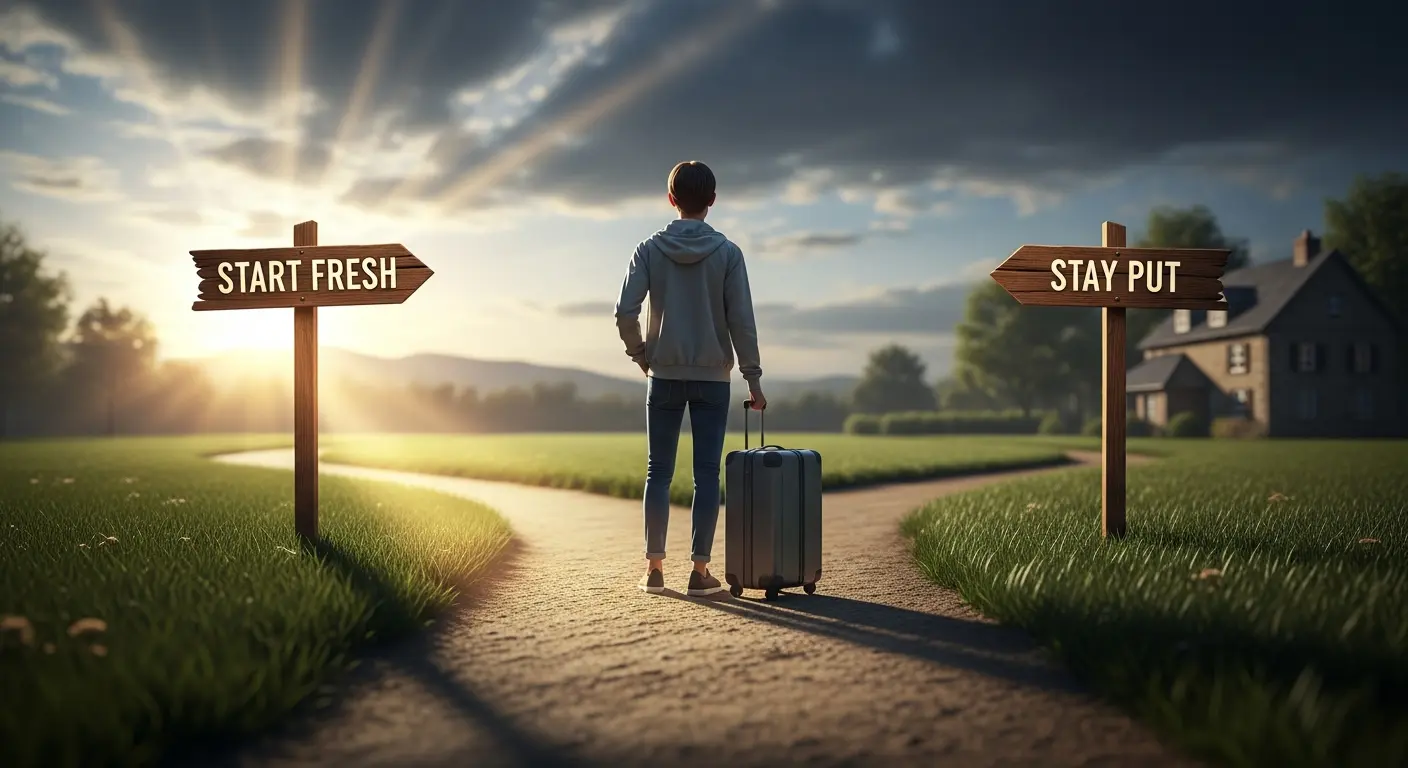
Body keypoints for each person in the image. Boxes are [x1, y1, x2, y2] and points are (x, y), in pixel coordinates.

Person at [613, 160, 766, 596]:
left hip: (662, 375)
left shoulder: (647, 249)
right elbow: (742, 321)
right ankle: (699, 574)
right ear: (712, 201)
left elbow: (625, 312)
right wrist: (753, 380)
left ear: (671, 199)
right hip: (714, 380)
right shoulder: (729, 254)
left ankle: (654, 570)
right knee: (706, 475)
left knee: (656, 471)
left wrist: (642, 356)